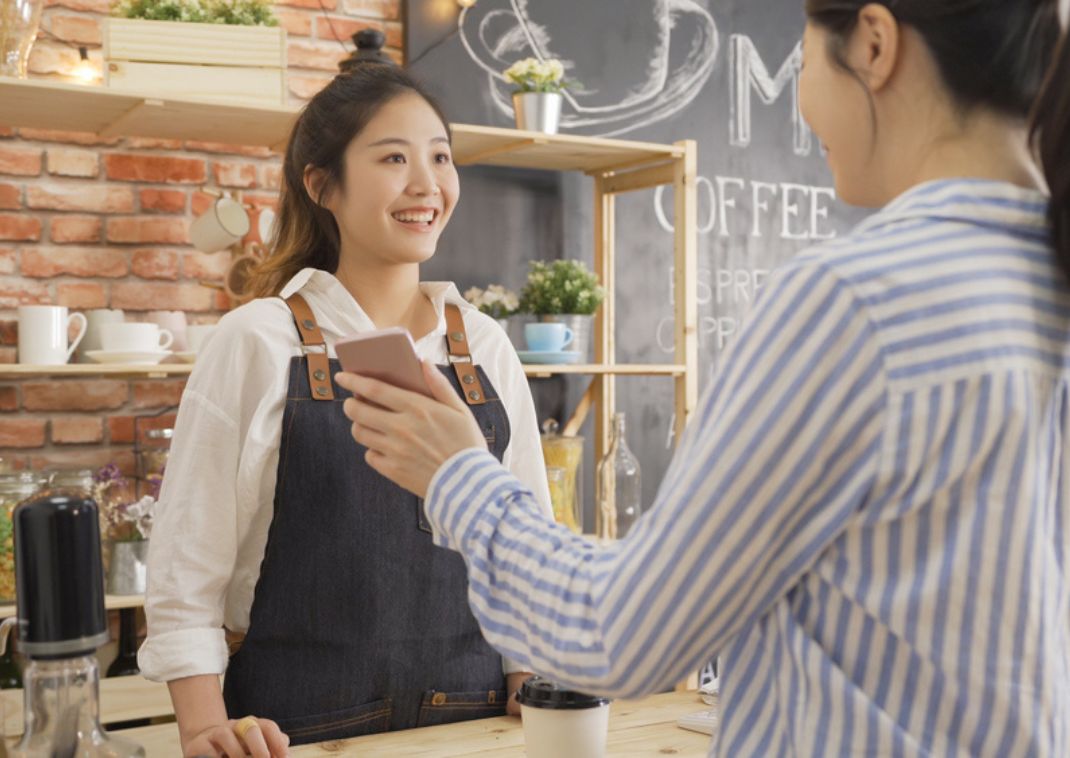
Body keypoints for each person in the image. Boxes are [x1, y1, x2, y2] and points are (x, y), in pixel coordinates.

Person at [337, 1, 1070, 754]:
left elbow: (621, 632)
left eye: (806, 59)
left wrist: (457, 473)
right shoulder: (1043, 283)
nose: (802, 97)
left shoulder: (855, 301)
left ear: (876, 44)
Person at [137, 62, 552, 757]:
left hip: (475, 730)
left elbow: (524, 542)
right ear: (321, 184)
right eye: (394, 157)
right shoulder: (258, 340)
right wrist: (205, 728)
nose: (427, 184)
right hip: (288, 737)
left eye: (441, 157)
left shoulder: (483, 345)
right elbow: (187, 573)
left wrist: (530, 676)